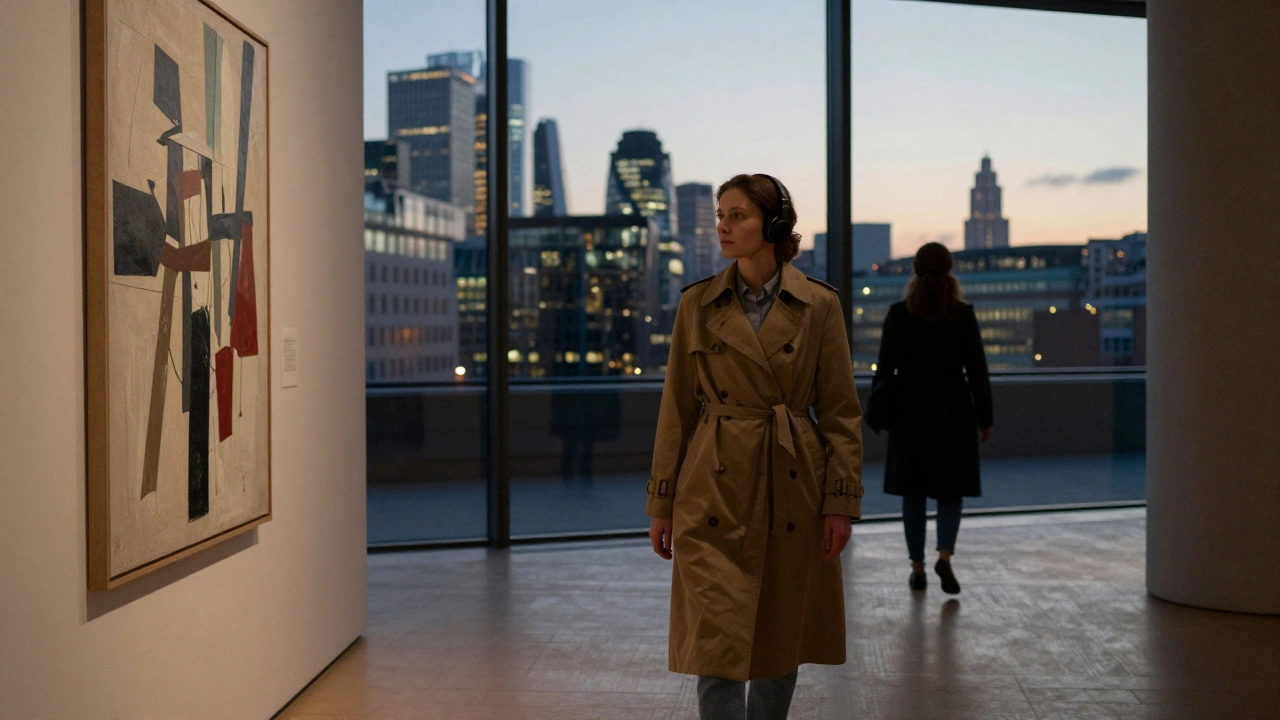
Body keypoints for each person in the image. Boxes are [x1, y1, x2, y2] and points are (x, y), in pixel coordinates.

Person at [646, 174, 864, 720]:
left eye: (738, 215)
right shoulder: (697, 304)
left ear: (773, 225)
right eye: (721, 214)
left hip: (792, 482)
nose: (723, 225)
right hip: (710, 488)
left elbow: (840, 411)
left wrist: (840, 500)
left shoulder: (818, 306)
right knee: (713, 642)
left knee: (778, 635)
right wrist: (662, 501)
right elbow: (676, 409)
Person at [869, 242, 993, 595]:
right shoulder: (962, 314)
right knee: (950, 493)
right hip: (953, 413)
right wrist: (985, 418)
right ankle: (944, 556)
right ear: (950, 271)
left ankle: (918, 568)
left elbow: (884, 369)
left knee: (914, 495)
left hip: (910, 415)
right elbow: (977, 372)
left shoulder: (898, 314)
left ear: (915, 271)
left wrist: (881, 411)